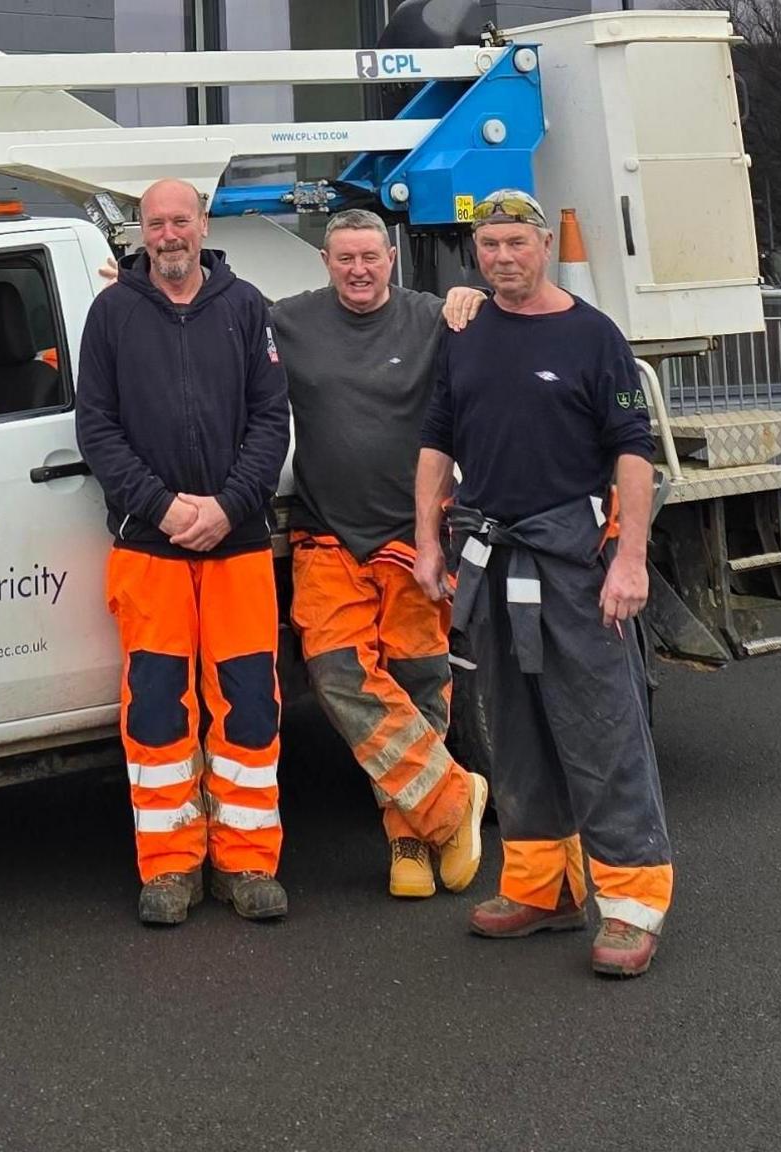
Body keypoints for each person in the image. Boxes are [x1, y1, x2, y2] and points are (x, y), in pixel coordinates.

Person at [413, 188, 672, 978]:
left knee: (601, 730)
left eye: (515, 244)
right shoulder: (464, 332)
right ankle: (541, 885)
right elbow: (436, 440)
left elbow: (634, 450)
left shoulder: (594, 337)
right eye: (487, 246)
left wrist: (629, 559)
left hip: (570, 563)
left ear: (542, 246)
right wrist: (426, 541)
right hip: (489, 556)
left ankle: (631, 903)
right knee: (512, 727)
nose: (501, 258)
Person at [76, 178, 292, 926]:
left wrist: (228, 507)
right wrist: (165, 507)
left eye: (181, 220)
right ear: (141, 231)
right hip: (150, 546)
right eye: (156, 223)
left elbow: (272, 423)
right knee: (159, 711)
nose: (169, 234)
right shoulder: (110, 315)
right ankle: (170, 869)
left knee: (251, 705)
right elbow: (96, 430)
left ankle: (248, 862)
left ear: (204, 223)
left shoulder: (245, 307)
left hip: (237, 546)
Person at [270, 210, 490, 900]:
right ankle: (456, 798)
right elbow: (210, 312)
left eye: (370, 257)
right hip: (328, 536)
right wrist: (127, 285)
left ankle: (409, 842)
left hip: (416, 536)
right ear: (325, 263)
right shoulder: (291, 321)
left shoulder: (431, 318)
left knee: (421, 685)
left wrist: (475, 298)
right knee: (339, 676)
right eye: (344, 259)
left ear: (391, 258)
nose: (358, 270)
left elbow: (500, 341)